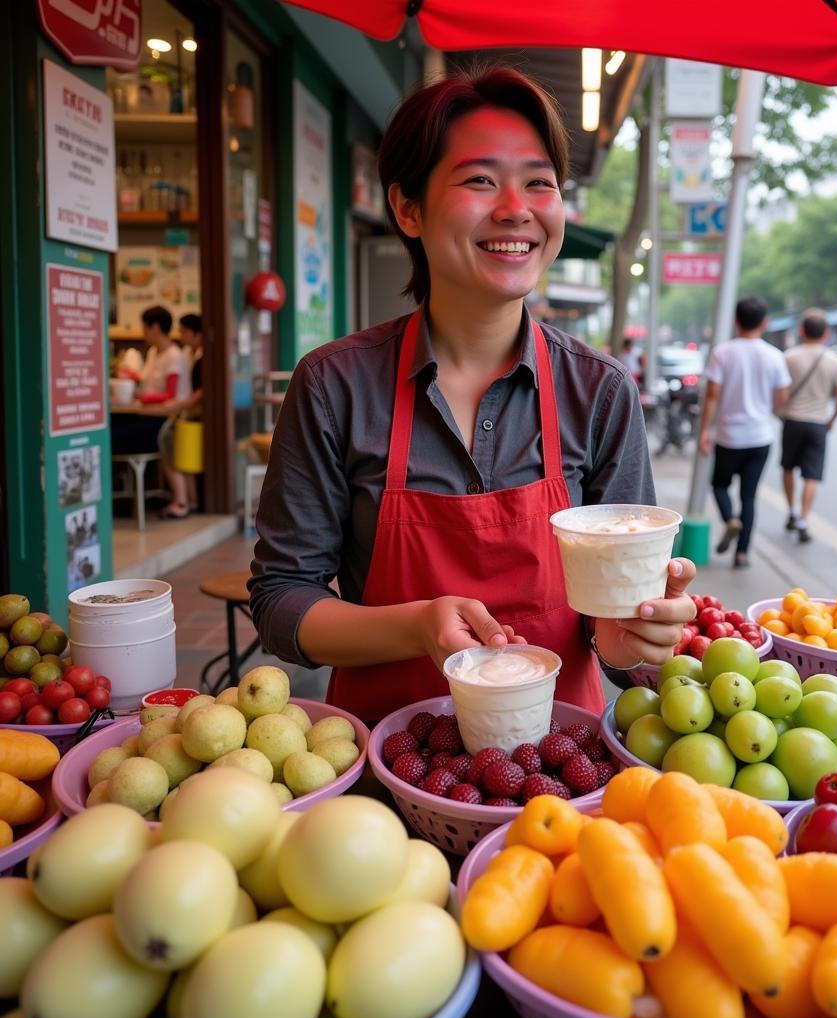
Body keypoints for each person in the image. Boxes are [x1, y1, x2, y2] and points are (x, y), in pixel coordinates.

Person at [248, 68, 696, 722]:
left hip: (559, 768)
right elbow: (282, 600)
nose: (517, 207)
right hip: (384, 763)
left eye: (539, 182)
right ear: (407, 208)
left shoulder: (599, 391)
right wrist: (416, 626)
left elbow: (620, 635)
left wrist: (629, 643)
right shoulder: (333, 384)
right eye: (480, 180)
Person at [698, 297, 791, 568]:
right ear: (764, 323)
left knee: (719, 485)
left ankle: (730, 519)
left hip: (729, 437)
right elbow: (782, 397)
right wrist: (771, 411)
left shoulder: (723, 353)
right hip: (760, 436)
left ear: (735, 321)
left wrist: (705, 429)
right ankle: (742, 554)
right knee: (749, 495)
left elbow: (712, 396)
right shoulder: (774, 355)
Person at [779, 308, 837, 543]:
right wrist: (832, 418)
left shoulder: (790, 357)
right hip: (818, 423)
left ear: (802, 331)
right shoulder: (833, 359)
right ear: (826, 333)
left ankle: (790, 510)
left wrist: (780, 412)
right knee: (811, 475)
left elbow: (780, 392)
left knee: (788, 468)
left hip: (792, 421)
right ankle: (803, 518)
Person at [110, 305, 191, 457]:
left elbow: (170, 394)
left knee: (111, 434)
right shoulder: (153, 352)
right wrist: (130, 375)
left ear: (154, 328)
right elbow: (147, 379)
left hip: (162, 422)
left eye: (144, 328)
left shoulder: (174, 356)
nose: (143, 333)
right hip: (147, 414)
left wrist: (141, 396)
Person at [159, 313, 204, 518]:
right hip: (191, 415)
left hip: (196, 415)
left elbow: (201, 392)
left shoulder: (202, 358)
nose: (181, 335)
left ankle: (184, 501)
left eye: (184, 331)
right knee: (186, 459)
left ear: (196, 333)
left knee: (180, 454)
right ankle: (191, 500)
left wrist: (179, 403)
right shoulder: (190, 354)